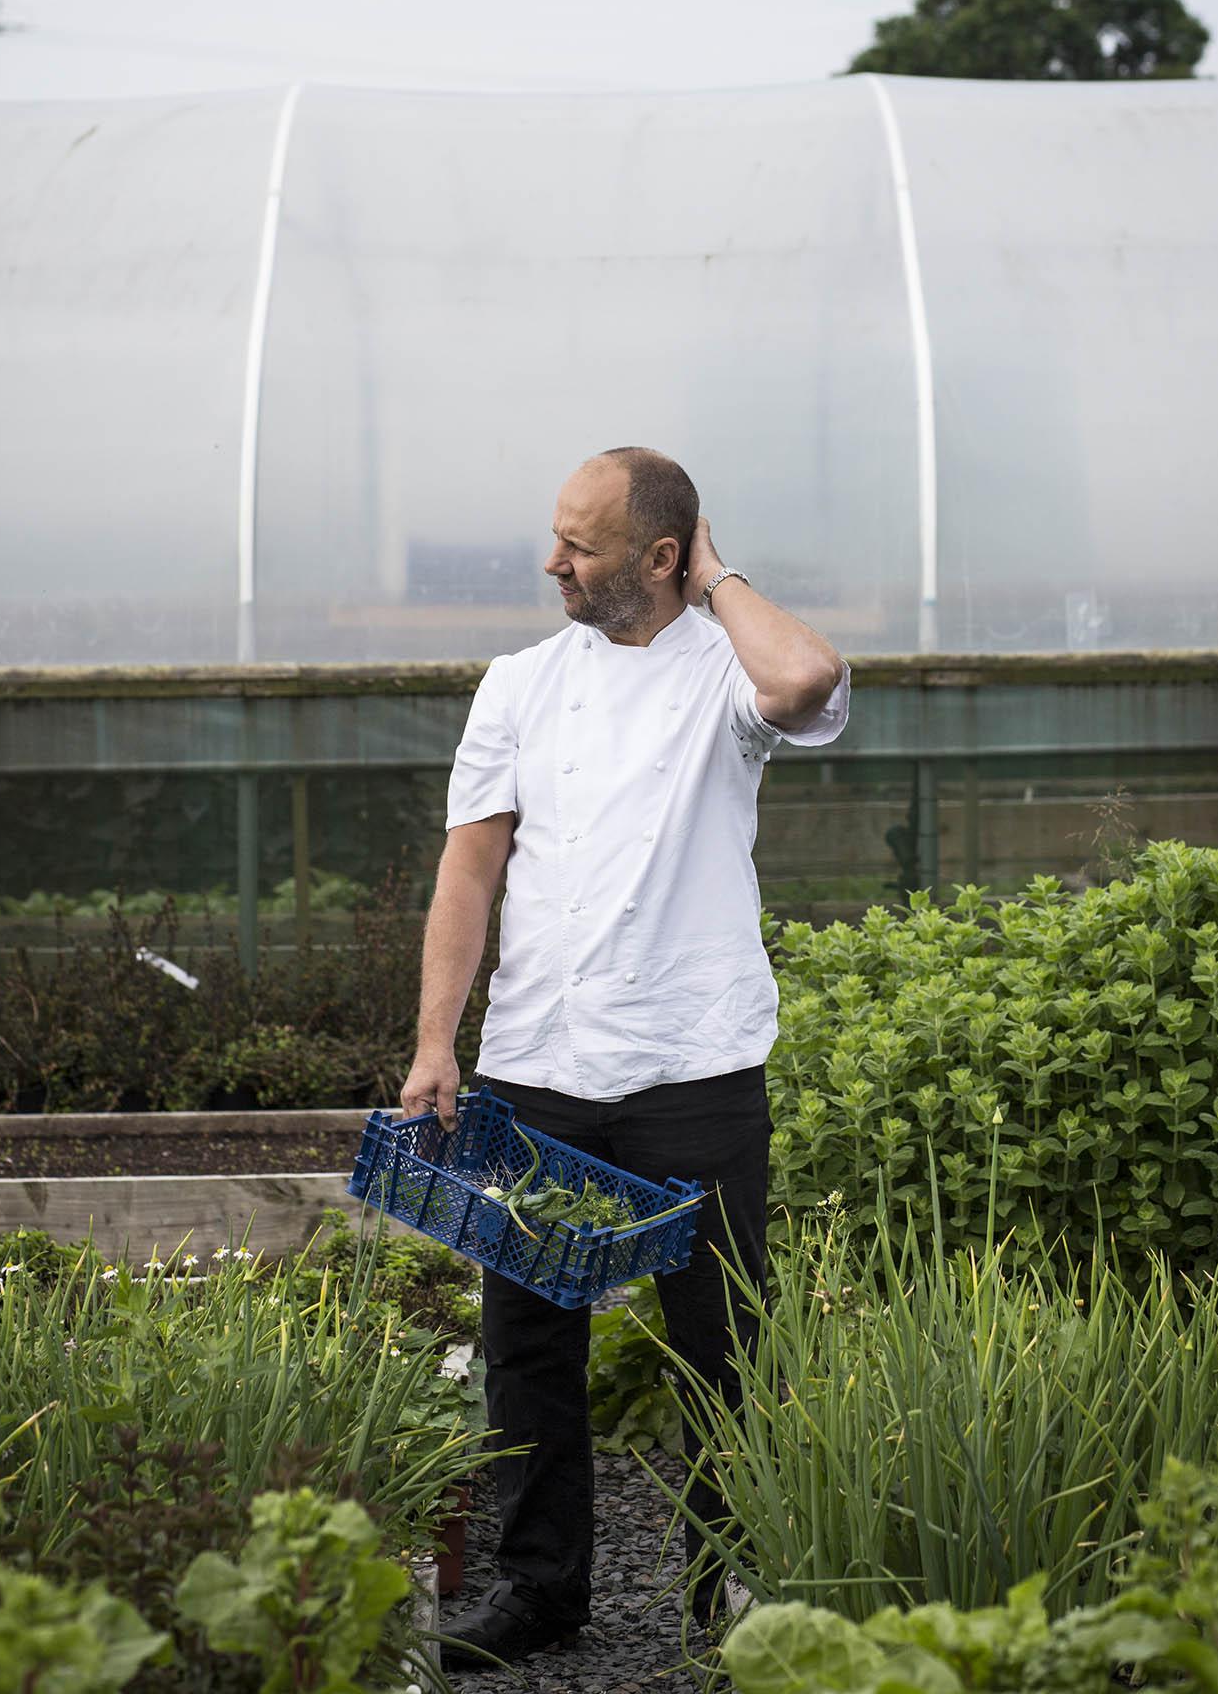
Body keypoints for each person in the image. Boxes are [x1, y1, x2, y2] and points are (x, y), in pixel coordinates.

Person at [401, 446, 849, 1667]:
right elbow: (471, 865)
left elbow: (808, 678)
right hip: (539, 1056)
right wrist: (439, 1040)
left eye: (581, 544)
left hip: (694, 1060)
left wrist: (715, 575)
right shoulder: (521, 683)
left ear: (661, 556)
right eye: (554, 535)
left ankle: (724, 1584)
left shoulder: (728, 670)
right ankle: (541, 1588)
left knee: (718, 1341)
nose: (553, 560)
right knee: (528, 1341)